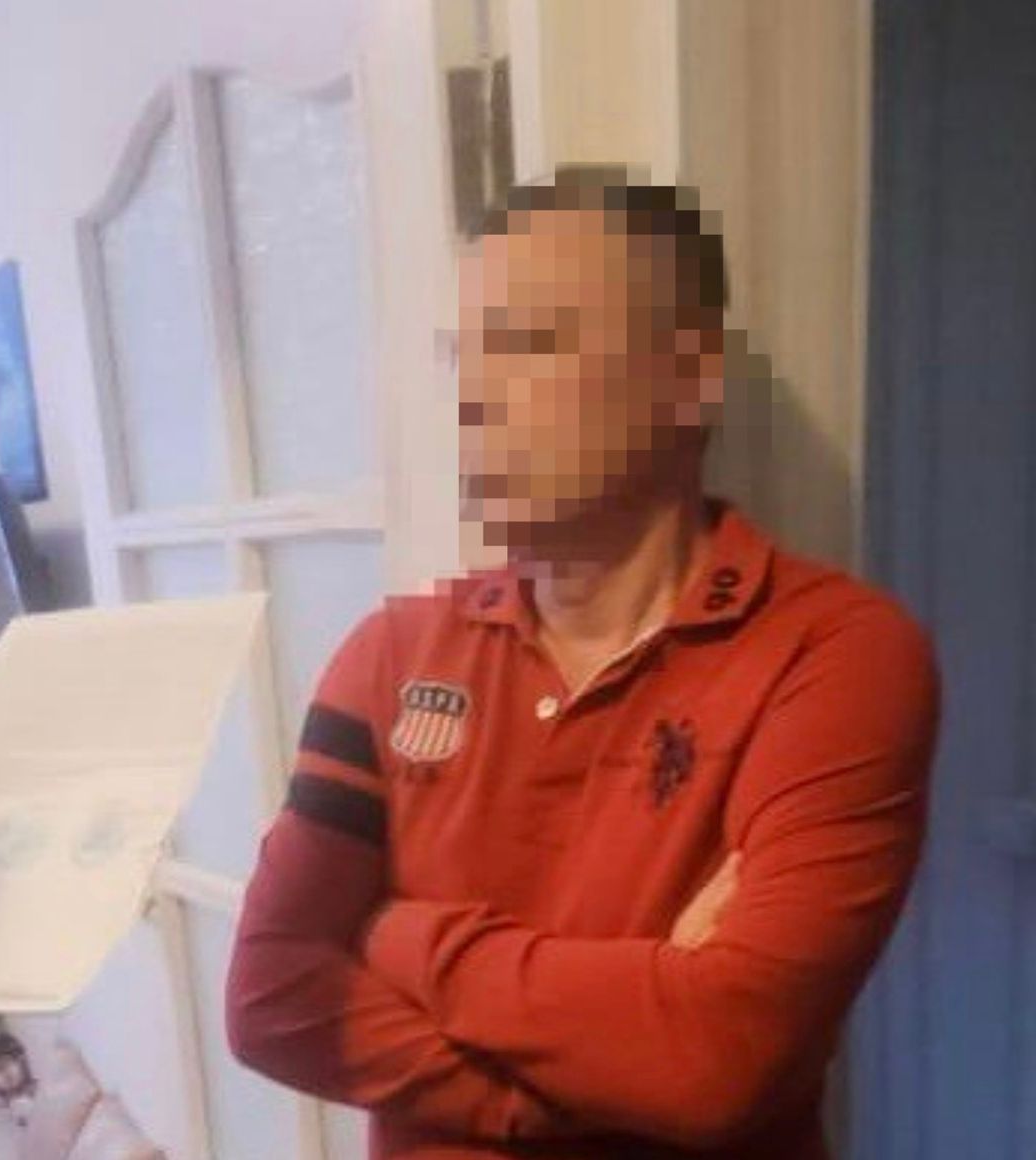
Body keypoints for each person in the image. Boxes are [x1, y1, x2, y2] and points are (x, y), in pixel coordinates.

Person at [227, 170, 940, 1160]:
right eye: (464, 356)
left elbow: (716, 1058)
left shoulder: (835, 653)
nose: (475, 396)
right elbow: (269, 998)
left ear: (690, 378)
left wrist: (393, 933)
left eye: (529, 342)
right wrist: (563, 1097)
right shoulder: (389, 656)